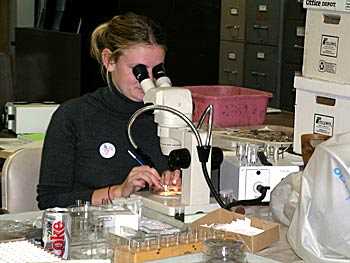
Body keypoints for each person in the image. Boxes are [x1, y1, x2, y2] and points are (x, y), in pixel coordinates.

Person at [37, 13, 181, 210]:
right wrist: (118, 192)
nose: (147, 79)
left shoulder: (167, 115)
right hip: (90, 230)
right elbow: (50, 201)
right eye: (138, 70)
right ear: (109, 60)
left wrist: (174, 180)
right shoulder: (74, 116)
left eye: (157, 70)